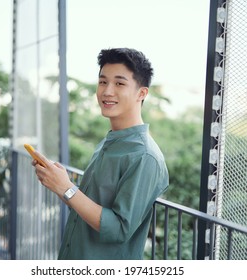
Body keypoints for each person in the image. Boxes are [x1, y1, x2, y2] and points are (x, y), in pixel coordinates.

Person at [31, 47, 169, 259]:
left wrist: (67, 189)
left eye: (119, 83)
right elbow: (90, 207)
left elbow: (119, 229)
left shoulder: (145, 156)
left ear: (141, 93)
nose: (107, 91)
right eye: (103, 81)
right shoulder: (110, 141)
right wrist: (59, 183)